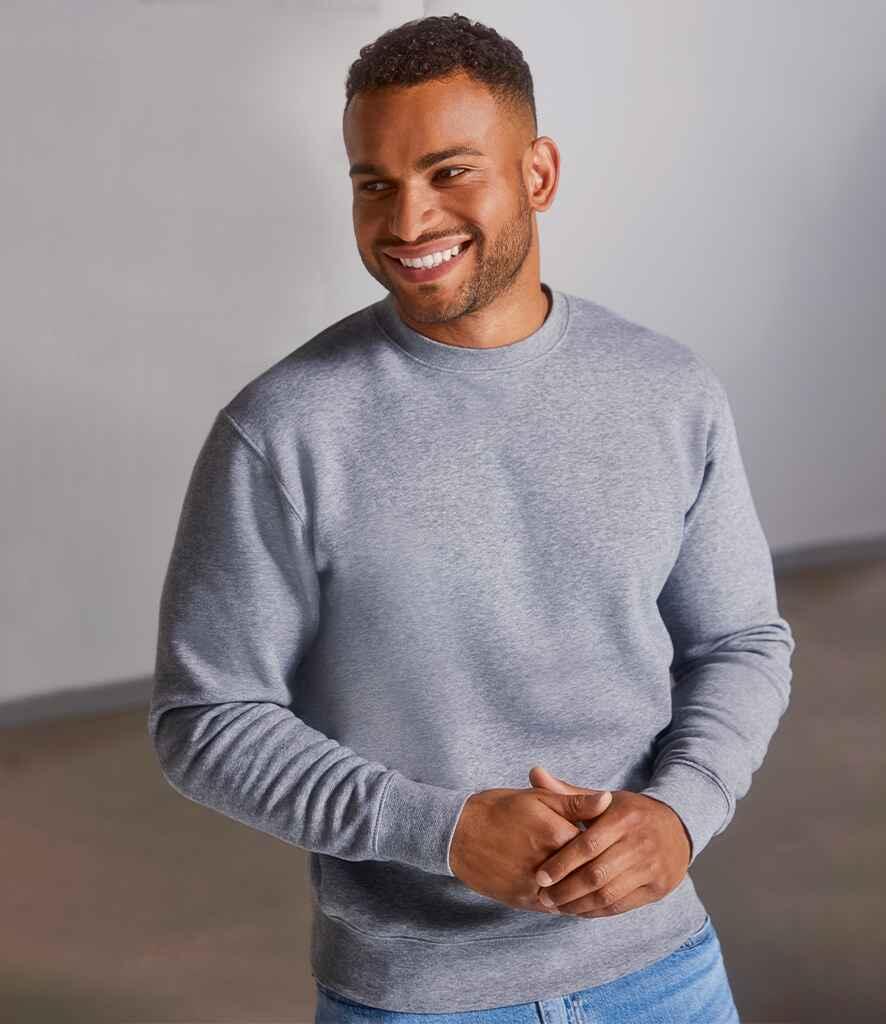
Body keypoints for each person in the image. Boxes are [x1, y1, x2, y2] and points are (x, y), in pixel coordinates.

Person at [148, 12, 795, 1023]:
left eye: (449, 172)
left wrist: (680, 813)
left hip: (664, 969)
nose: (408, 221)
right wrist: (441, 830)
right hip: (417, 999)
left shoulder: (668, 392)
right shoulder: (282, 430)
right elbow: (205, 718)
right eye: (374, 184)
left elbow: (740, 640)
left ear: (538, 174)